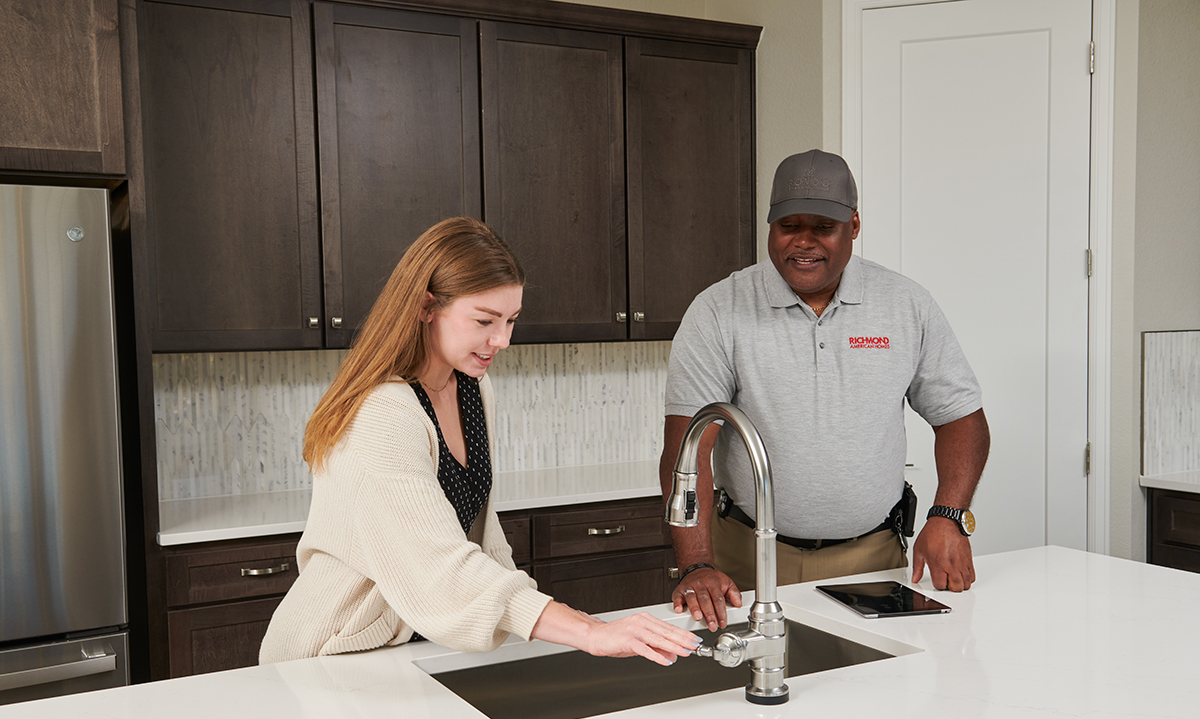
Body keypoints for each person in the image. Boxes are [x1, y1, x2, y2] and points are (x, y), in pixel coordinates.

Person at [261, 217, 699, 666]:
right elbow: (440, 567)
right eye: (485, 320)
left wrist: (559, 621)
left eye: (511, 319)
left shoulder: (471, 387)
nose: (503, 339)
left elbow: (484, 545)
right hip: (329, 651)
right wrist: (586, 632)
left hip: (408, 644)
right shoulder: (383, 414)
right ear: (425, 306)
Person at [661, 150, 990, 632]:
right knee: (748, 693)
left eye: (823, 227)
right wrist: (695, 564)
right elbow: (686, 451)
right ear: (770, 226)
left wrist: (948, 515)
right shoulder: (718, 311)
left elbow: (961, 419)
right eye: (789, 225)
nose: (804, 243)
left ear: (853, 225)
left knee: (869, 695)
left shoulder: (905, 305)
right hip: (745, 556)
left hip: (871, 557)